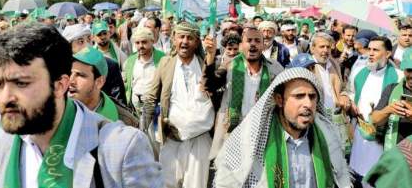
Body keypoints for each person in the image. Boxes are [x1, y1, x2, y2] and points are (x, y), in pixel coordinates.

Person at [0, 22, 163, 188]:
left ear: (60, 86)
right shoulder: (7, 140)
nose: (5, 98)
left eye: (21, 83)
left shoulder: (121, 148)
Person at [213, 67, 351, 188]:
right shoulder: (253, 139)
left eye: (312, 96)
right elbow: (228, 181)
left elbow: (341, 177)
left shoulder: (327, 136)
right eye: (299, 96)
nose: (308, 104)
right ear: (279, 100)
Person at [141, 21, 214, 188]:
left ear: (197, 42)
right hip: (171, 138)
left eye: (190, 38)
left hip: (199, 140)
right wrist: (143, 125)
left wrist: (211, 57)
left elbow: (214, 87)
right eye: (181, 37)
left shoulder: (206, 64)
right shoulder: (166, 64)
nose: (185, 42)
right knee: (167, 183)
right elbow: (152, 97)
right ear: (174, 39)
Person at [202, 25, 283, 159]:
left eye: (257, 41)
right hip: (233, 132)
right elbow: (210, 85)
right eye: (249, 40)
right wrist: (210, 56)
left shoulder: (275, 68)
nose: (252, 44)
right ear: (241, 45)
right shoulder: (230, 65)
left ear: (263, 46)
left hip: (264, 134)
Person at [349, 36, 403, 187]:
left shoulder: (398, 76)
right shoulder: (359, 72)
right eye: (369, 49)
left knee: (377, 179)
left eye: (376, 50)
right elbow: (352, 92)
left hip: (382, 137)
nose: (370, 54)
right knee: (358, 175)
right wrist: (349, 100)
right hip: (360, 134)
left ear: (387, 54)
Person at [63, 23, 126, 104]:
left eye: (89, 40)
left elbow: (119, 101)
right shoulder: (62, 69)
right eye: (81, 41)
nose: (87, 45)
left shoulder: (108, 65)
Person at [370, 46, 412, 149]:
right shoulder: (392, 89)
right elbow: (375, 119)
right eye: (409, 70)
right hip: (393, 154)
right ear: (403, 69)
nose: (411, 75)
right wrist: (389, 109)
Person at [69, 45, 119, 121]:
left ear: (99, 82)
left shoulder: (123, 122)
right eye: (70, 73)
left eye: (80, 75)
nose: (71, 81)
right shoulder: (57, 111)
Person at [123, 27, 165, 112]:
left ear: (152, 41)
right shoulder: (130, 61)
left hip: (157, 110)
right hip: (135, 111)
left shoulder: (163, 59)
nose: (140, 46)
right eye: (137, 43)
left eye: (144, 42)